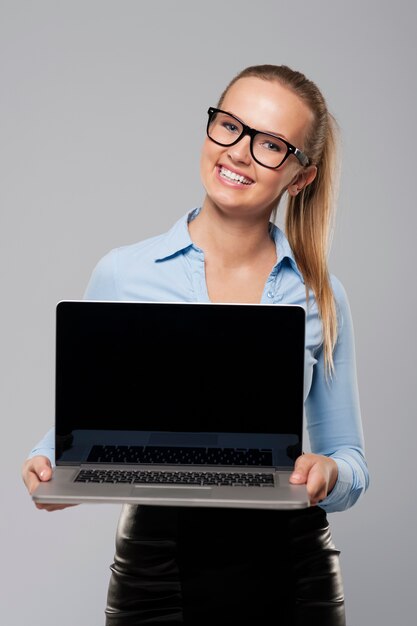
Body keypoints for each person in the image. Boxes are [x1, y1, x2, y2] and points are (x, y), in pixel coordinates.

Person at [22, 63, 369, 625]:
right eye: (230, 126)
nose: (239, 152)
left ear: (300, 177)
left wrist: (329, 474)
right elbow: (82, 421)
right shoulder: (122, 273)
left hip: (292, 566)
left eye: (272, 144)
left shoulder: (320, 297)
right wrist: (46, 461)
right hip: (155, 569)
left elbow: (351, 460)